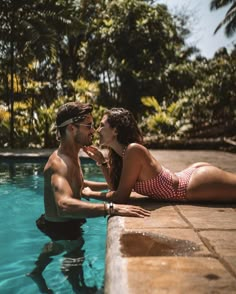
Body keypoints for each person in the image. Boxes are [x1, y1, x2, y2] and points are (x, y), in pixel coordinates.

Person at [27, 102, 150, 293]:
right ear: (70, 128)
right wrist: (111, 208)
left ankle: (38, 273)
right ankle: (51, 277)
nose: (94, 130)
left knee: (69, 256)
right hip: (62, 227)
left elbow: (80, 185)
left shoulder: (73, 154)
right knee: (74, 256)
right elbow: (64, 205)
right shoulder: (58, 164)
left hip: (68, 224)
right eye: (89, 126)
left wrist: (121, 186)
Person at [83, 107, 236, 204]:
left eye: (102, 125)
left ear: (115, 130)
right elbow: (116, 188)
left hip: (195, 184)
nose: (97, 130)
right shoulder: (121, 154)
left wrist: (91, 194)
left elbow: (120, 197)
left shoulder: (133, 150)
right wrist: (102, 163)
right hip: (190, 179)